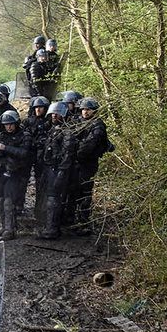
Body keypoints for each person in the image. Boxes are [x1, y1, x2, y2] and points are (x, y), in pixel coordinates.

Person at [68, 97, 113, 234]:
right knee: (72, 190)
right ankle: (71, 219)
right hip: (75, 163)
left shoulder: (97, 125)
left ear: (94, 111)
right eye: (83, 109)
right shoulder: (76, 122)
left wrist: (75, 154)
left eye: (88, 109)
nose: (85, 112)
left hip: (88, 163)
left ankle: (84, 222)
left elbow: (89, 145)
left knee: (85, 192)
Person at [0, 110, 33, 240]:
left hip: (16, 172)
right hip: (1, 171)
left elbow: (24, 153)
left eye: (11, 124)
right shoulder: (1, 135)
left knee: (9, 201)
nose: (9, 127)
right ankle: (3, 226)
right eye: (6, 124)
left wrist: (5, 148)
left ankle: (10, 229)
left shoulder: (24, 135)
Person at [37, 102, 77, 239]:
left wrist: (61, 171)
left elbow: (68, 154)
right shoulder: (55, 128)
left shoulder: (67, 131)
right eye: (53, 113)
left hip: (58, 169)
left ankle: (52, 229)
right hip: (49, 168)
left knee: (54, 199)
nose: (54, 115)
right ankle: (49, 226)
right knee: (49, 198)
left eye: (57, 113)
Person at [25, 96, 52, 220]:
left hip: (42, 157)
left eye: (40, 107)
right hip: (29, 155)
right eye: (36, 107)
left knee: (41, 183)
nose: (38, 110)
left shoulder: (49, 123)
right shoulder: (28, 121)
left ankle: (39, 210)